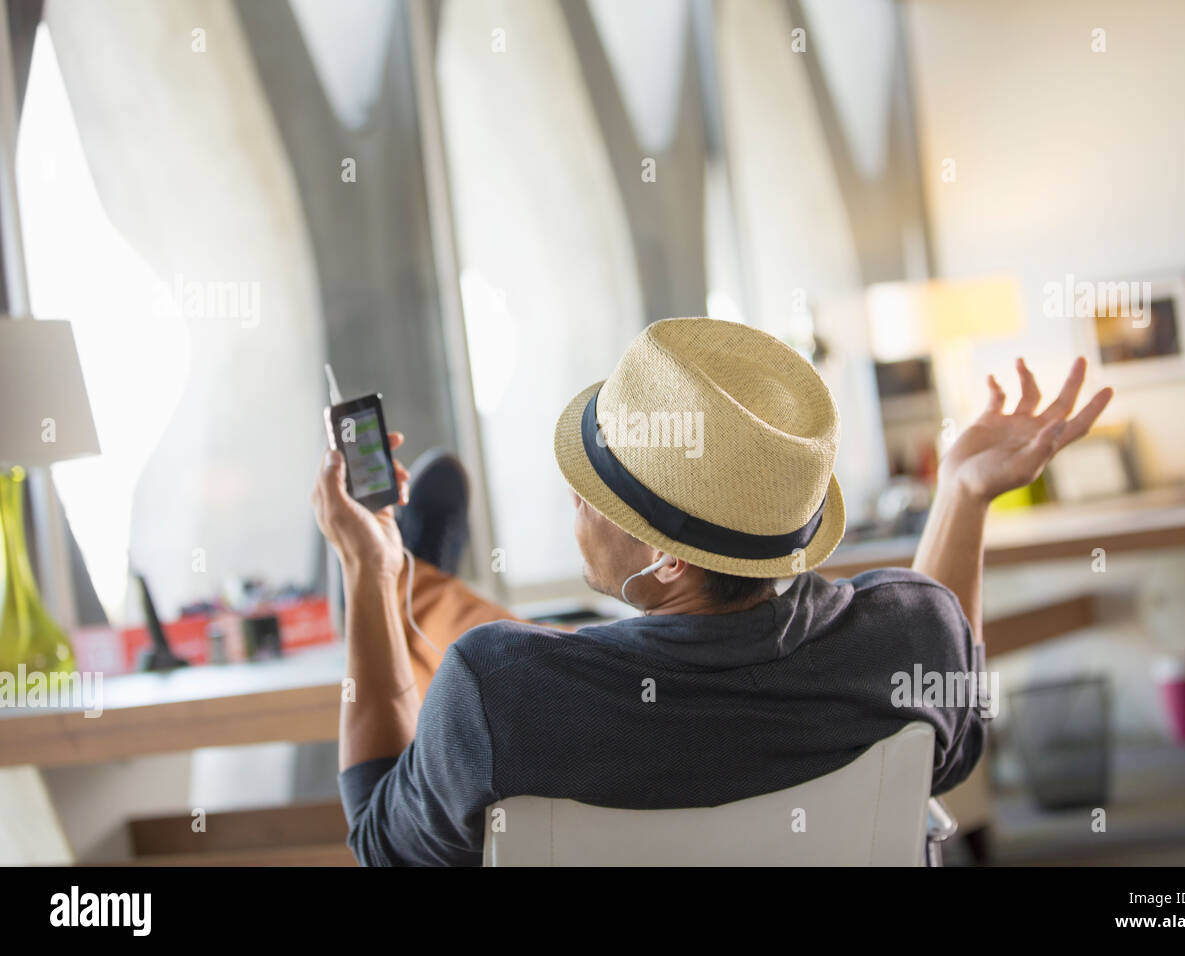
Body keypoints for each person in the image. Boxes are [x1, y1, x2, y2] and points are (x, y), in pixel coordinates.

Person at [310, 318, 1112, 866]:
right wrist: (964, 495)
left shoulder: (500, 691)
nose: (577, 503)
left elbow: (381, 845)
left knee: (452, 611)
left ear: (668, 561)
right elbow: (950, 729)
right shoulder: (911, 632)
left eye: (597, 494)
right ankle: (428, 572)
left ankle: (415, 573)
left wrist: (368, 575)